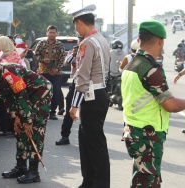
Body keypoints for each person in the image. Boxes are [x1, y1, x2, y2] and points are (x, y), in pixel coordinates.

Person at [121, 20, 185, 187]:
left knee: (140, 180)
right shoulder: (150, 68)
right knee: (149, 182)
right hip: (148, 135)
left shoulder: (131, 64)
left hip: (134, 131)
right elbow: (170, 105)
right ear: (160, 41)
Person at [0, 54, 52, 184]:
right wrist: (15, 116)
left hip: (40, 92)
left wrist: (28, 120)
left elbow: (21, 96)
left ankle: (34, 172)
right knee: (20, 128)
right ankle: (21, 167)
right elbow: (7, 97)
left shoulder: (9, 72)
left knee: (35, 130)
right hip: (26, 96)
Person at [69, 4, 111, 188]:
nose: (76, 29)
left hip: (91, 96)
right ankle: (89, 182)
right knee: (88, 141)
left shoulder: (87, 43)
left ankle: (98, 184)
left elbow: (82, 75)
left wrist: (74, 104)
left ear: (79, 23)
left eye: (75, 25)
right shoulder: (101, 39)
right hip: (99, 93)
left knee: (93, 144)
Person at [34, 25, 65, 120]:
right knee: (43, 91)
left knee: (55, 92)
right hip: (43, 71)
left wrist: (56, 69)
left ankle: (52, 112)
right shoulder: (41, 43)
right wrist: (43, 60)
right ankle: (42, 111)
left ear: (56, 33)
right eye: (50, 32)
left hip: (55, 73)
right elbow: (36, 54)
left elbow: (62, 58)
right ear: (47, 33)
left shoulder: (60, 45)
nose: (52, 34)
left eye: (53, 32)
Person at [55, 45, 79, 145]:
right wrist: (74, 55)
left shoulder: (90, 53)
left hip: (88, 84)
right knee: (69, 109)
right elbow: (66, 64)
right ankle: (65, 136)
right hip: (75, 83)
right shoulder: (72, 55)